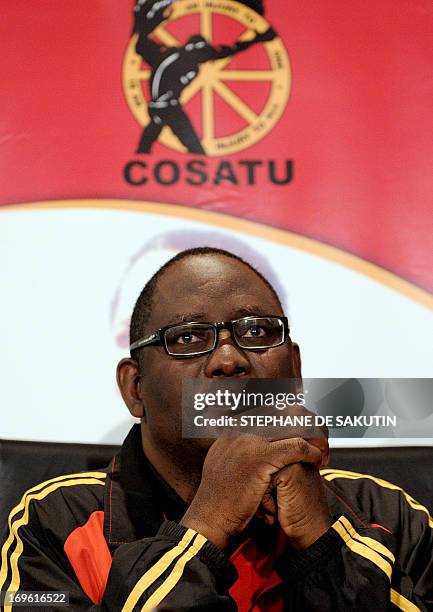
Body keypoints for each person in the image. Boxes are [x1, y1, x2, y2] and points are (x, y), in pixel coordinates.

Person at [1, 247, 432, 611]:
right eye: (187, 338)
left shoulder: (390, 515)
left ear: (295, 372)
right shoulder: (52, 523)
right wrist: (209, 521)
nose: (230, 360)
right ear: (136, 389)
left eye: (257, 331)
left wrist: (321, 542)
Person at [132, 0, 276, 153]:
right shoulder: (179, 56)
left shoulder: (166, 54)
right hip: (167, 107)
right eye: (203, 52)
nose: (207, 55)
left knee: (153, 132)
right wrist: (258, 39)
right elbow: (228, 51)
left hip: (159, 107)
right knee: (195, 148)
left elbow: (140, 44)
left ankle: (142, 153)